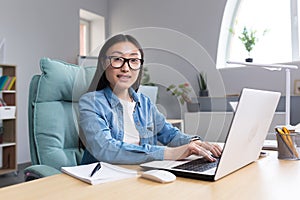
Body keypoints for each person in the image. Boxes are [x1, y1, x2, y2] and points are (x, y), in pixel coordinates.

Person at [79, 34, 222, 165]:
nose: (126, 68)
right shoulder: (92, 102)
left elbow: (170, 134)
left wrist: (195, 144)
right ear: (104, 64)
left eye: (134, 60)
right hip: (102, 179)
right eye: (117, 59)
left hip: (141, 174)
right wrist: (170, 153)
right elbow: (104, 148)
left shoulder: (144, 103)